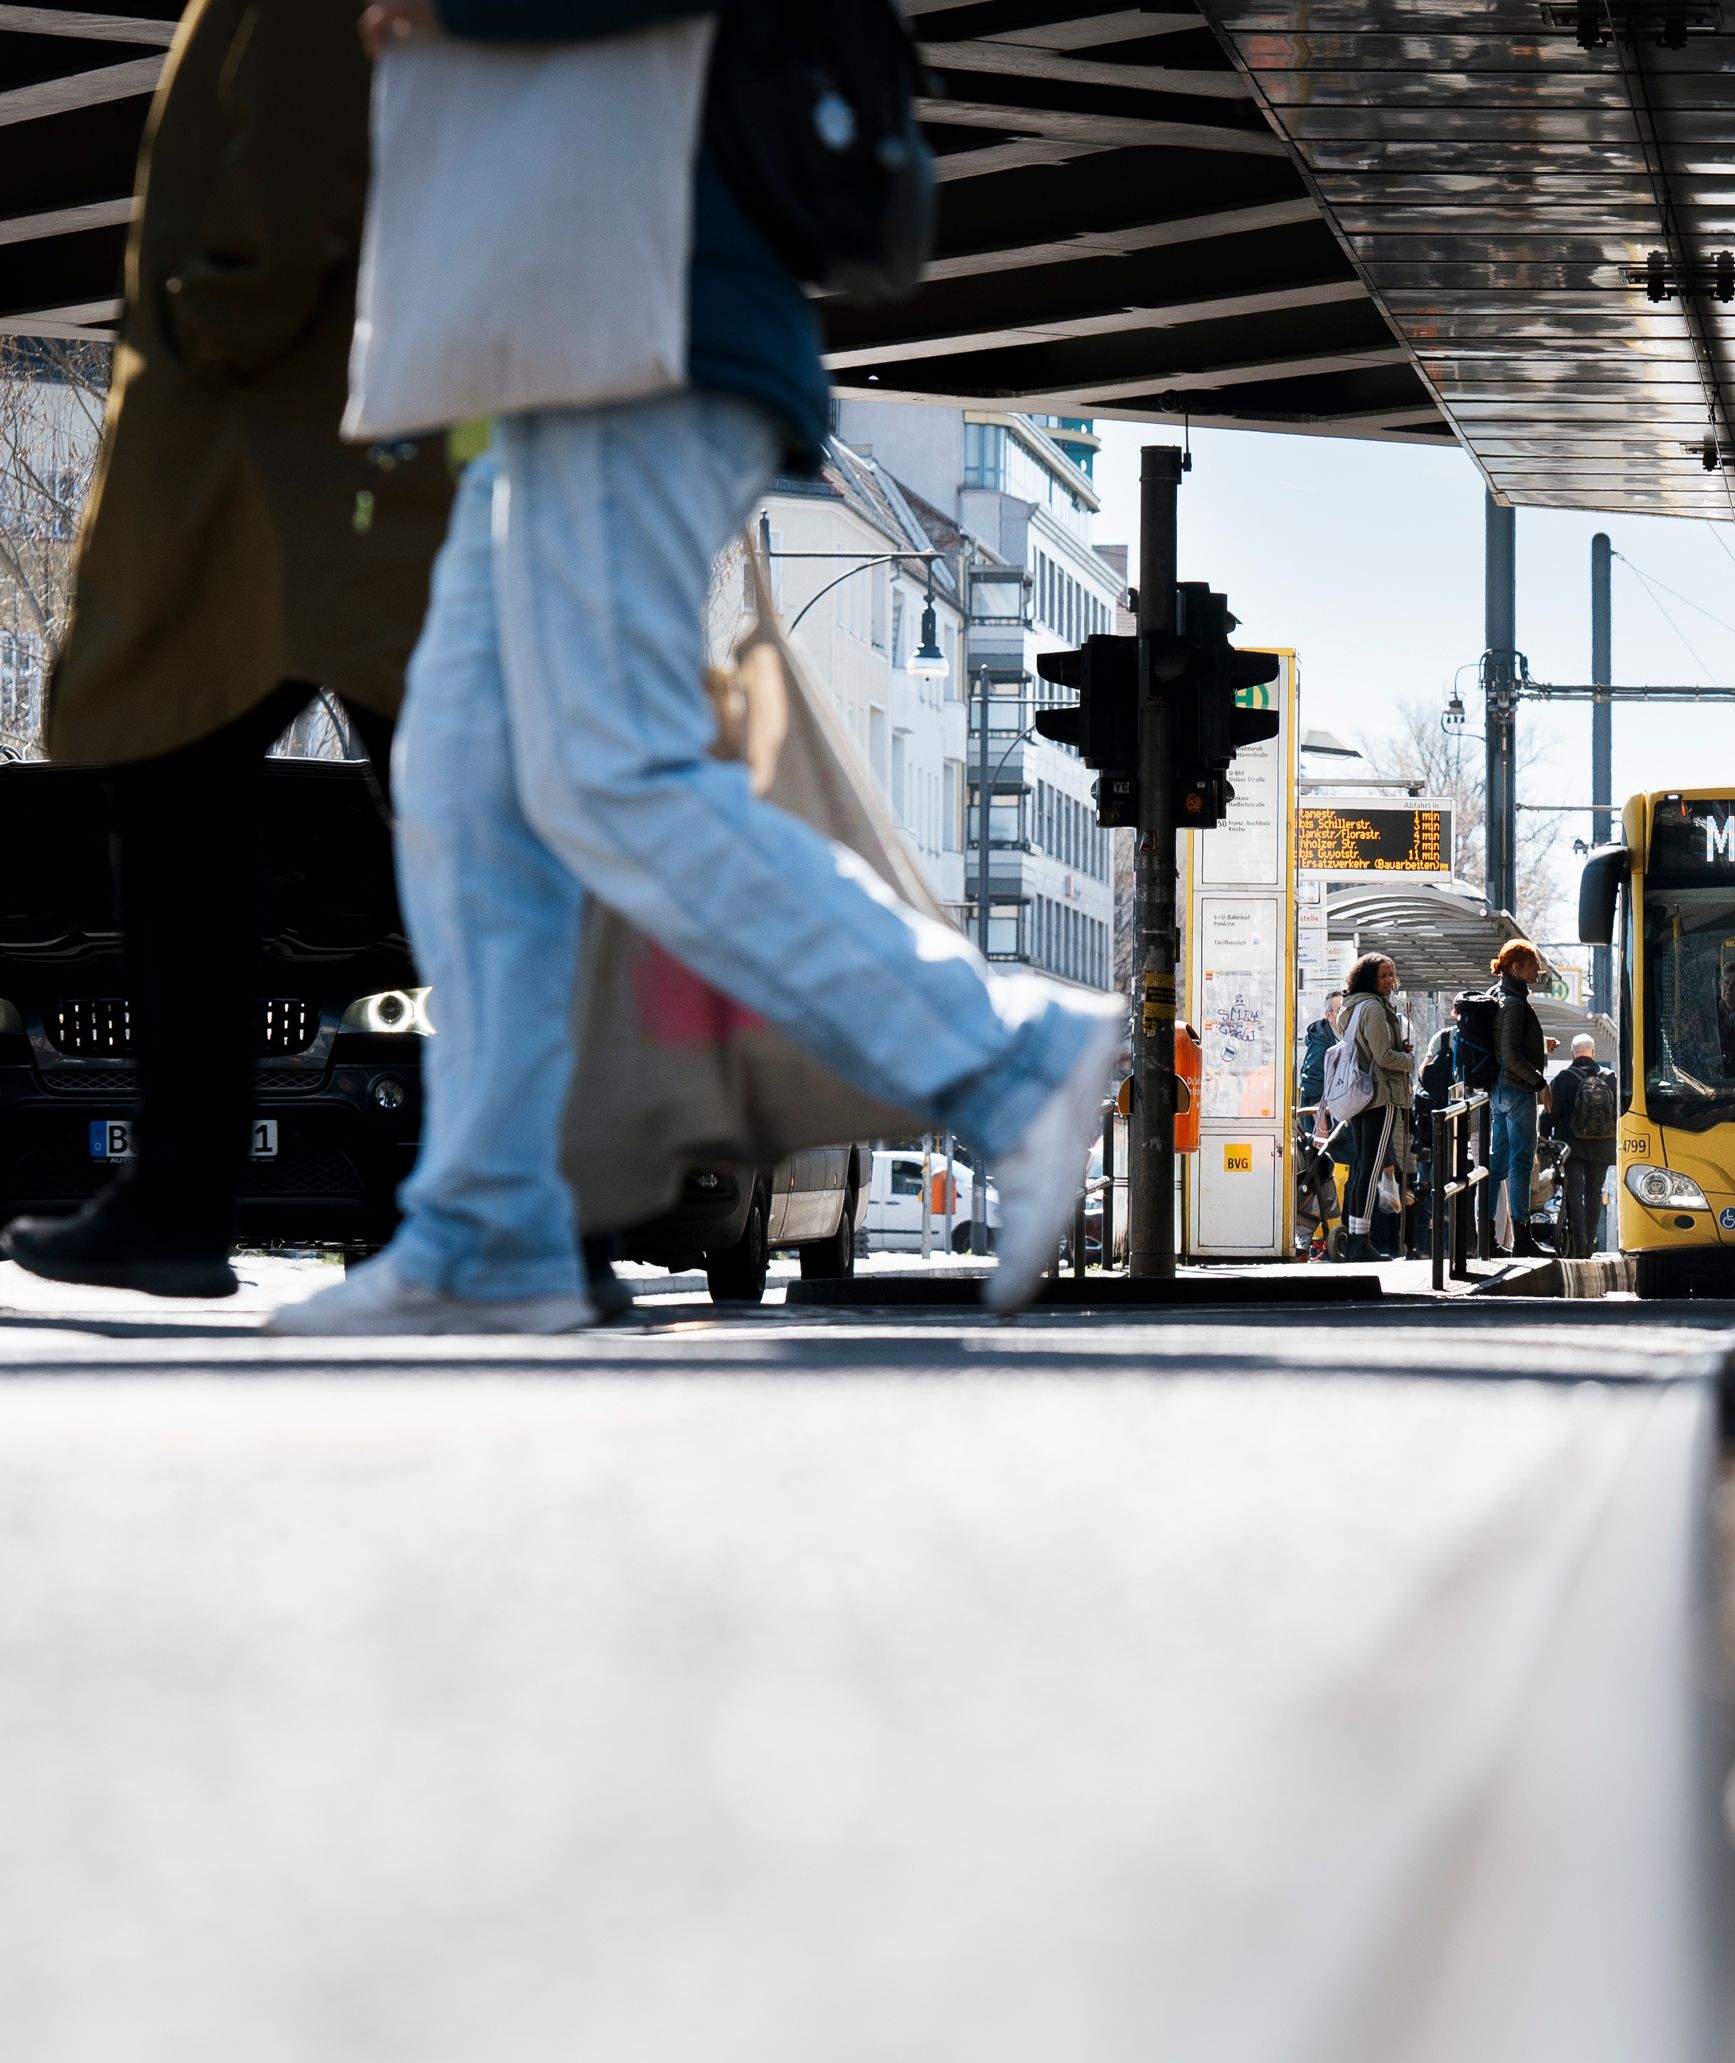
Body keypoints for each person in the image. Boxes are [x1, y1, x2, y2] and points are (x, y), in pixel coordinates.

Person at [268, 0, 1118, 1334]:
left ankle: (1009, 1056)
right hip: (577, 337)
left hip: (647, 319)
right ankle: (492, 1223)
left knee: (612, 766)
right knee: (466, 781)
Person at [4, 0, 459, 1299]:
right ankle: (523, 1201)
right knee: (443, 812)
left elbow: (295, 152)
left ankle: (181, 1199)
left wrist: (217, 316)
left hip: (271, 455)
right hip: (345, 457)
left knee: (178, 786)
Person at [1330, 954, 1412, 1256]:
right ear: (1368, 979)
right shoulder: (1374, 1009)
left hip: (1360, 1099)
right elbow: (1383, 1057)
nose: (1389, 981)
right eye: (1383, 976)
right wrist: (1408, 1060)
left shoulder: (1351, 1008)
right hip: (1380, 1095)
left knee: (1362, 1166)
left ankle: (1355, 1236)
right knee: (1371, 1168)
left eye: (1392, 974)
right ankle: (1360, 1241)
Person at [1485, 941, 1548, 1256]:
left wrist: (1540, 1043)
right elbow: (1509, 1054)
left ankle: (1485, 1237)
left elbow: (1505, 1044)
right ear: (1515, 968)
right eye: (1533, 963)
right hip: (1516, 1091)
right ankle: (1523, 1238)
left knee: (1497, 1165)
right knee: (1520, 1163)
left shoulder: (1499, 996)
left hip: (1499, 1091)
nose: (1538, 969)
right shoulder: (1513, 1003)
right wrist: (1540, 1083)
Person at [1544, 1033, 1618, 1259]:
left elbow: (1552, 1115)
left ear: (1571, 1055)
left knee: (1575, 1192)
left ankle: (1580, 1243)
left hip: (1572, 1147)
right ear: (1594, 1053)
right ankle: (1590, 1240)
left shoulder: (1563, 1078)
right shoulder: (1610, 1078)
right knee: (1594, 1193)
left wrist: (1544, 1135)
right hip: (1602, 1146)